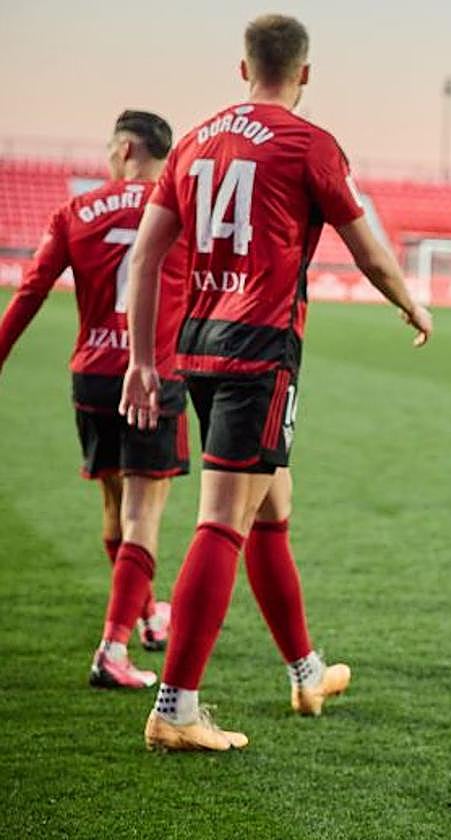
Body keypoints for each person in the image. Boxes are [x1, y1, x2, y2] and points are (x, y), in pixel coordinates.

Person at [121, 13, 432, 751]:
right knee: (223, 518)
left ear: (243, 68)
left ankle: (305, 671)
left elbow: (146, 256)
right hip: (259, 349)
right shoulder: (308, 143)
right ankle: (176, 707)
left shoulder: (195, 139)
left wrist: (141, 359)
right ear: (305, 73)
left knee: (270, 506)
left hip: (198, 343)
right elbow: (370, 253)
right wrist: (410, 303)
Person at [0, 111, 187, 689]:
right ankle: (114, 648)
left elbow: (31, 290)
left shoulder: (76, 211)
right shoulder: (182, 209)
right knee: (143, 515)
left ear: (126, 148)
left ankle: (147, 614)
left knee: (114, 504)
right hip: (152, 376)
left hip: (94, 377)